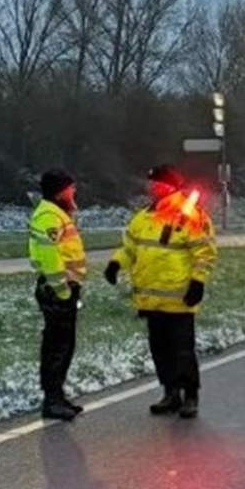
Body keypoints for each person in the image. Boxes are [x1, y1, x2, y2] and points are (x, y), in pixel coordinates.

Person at [104, 165, 218, 418]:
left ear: (170, 186)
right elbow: (130, 248)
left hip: (179, 298)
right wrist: (116, 263)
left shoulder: (190, 215)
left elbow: (204, 253)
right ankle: (170, 392)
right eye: (151, 184)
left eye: (157, 184)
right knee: (160, 348)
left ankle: (190, 395)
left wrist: (198, 282)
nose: (152, 188)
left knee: (182, 349)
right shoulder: (143, 217)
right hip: (150, 299)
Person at [29, 168, 86, 421]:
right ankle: (52, 400)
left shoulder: (57, 213)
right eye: (71, 188)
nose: (74, 192)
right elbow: (51, 256)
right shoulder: (49, 216)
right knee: (57, 346)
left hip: (61, 288)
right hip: (57, 290)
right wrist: (62, 289)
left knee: (63, 344)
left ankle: (57, 395)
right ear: (61, 191)